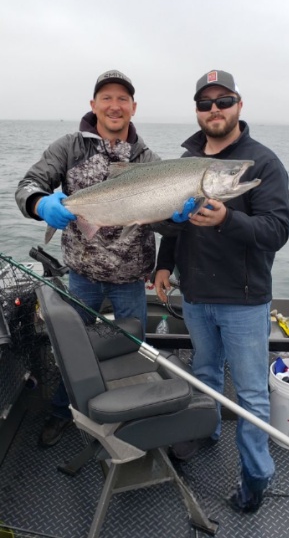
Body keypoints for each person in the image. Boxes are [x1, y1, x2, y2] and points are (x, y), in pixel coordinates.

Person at [154, 69, 289, 513]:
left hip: (245, 301)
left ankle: (256, 476)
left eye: (223, 100)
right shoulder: (184, 160)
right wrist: (163, 266)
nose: (214, 110)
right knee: (205, 373)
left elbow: (277, 229)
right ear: (196, 111)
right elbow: (173, 225)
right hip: (194, 294)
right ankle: (205, 430)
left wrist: (227, 220)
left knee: (251, 393)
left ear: (239, 105)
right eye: (205, 103)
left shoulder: (261, 162)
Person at [15, 69, 161, 446]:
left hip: (132, 277)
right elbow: (27, 185)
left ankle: (134, 420)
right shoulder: (69, 146)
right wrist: (40, 203)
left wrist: (176, 215)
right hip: (83, 274)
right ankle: (63, 411)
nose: (115, 105)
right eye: (107, 98)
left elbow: (164, 219)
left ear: (133, 107)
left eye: (123, 99)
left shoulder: (146, 157)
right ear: (93, 105)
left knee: (135, 351)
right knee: (73, 351)